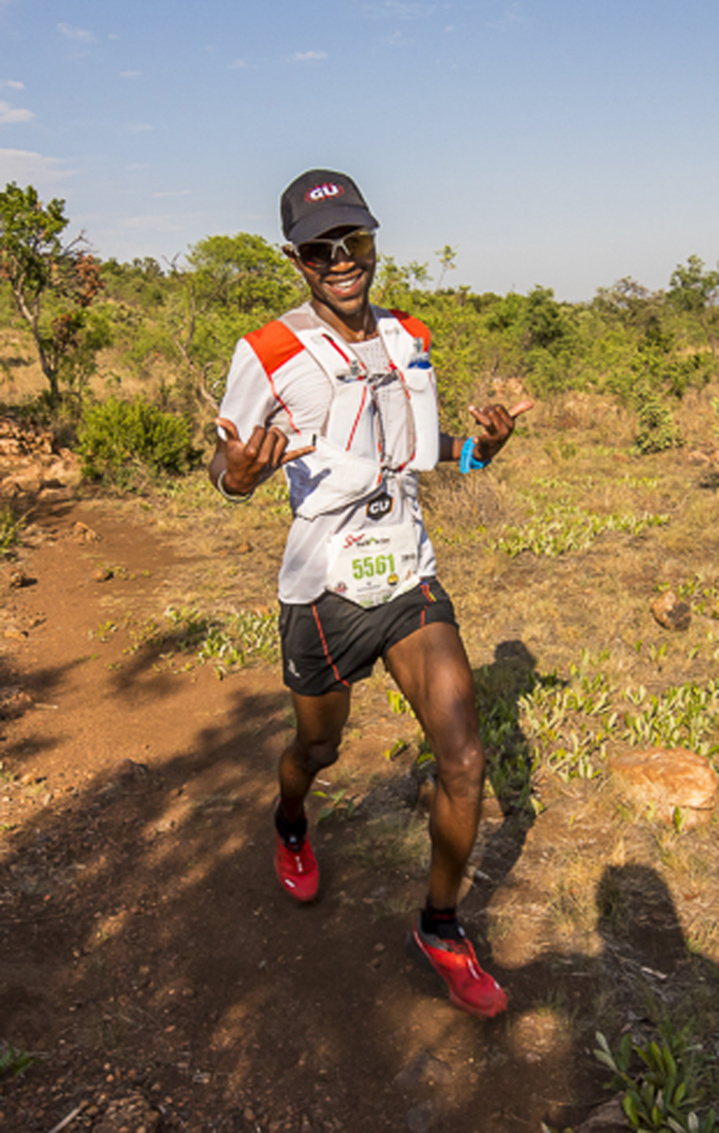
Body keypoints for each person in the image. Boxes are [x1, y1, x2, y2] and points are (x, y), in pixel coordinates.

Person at [210, 169, 532, 1019]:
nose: (340, 259)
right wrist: (236, 476)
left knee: (464, 759)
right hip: (322, 589)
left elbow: (426, 451)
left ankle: (440, 926)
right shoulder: (266, 350)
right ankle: (289, 817)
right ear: (295, 259)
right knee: (318, 750)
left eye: (353, 240)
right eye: (320, 248)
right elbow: (229, 461)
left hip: (408, 574)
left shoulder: (408, 336)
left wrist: (485, 449)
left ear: (374, 240)